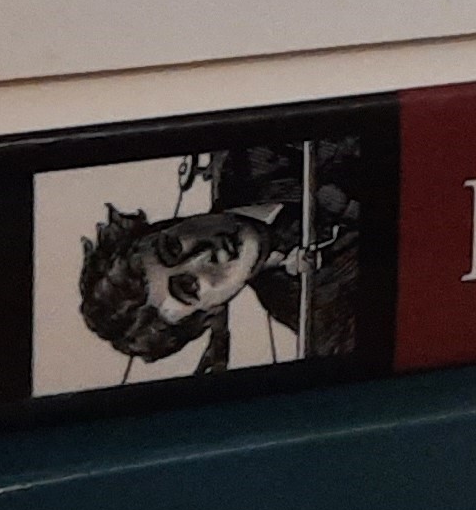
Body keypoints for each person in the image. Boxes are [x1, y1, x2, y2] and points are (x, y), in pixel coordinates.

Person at [74, 138, 359, 374]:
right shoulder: (322, 321)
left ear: (171, 223)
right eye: (189, 287)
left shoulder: (249, 150)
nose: (203, 256)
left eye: (172, 248)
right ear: (210, 312)